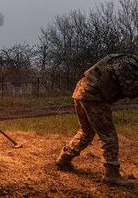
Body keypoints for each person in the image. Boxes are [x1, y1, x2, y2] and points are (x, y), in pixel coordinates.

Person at [55, 53, 138, 186]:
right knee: (108, 135)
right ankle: (111, 174)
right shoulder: (128, 64)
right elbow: (132, 91)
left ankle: (64, 158)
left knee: (86, 131)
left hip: (81, 91)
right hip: (93, 95)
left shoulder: (122, 59)